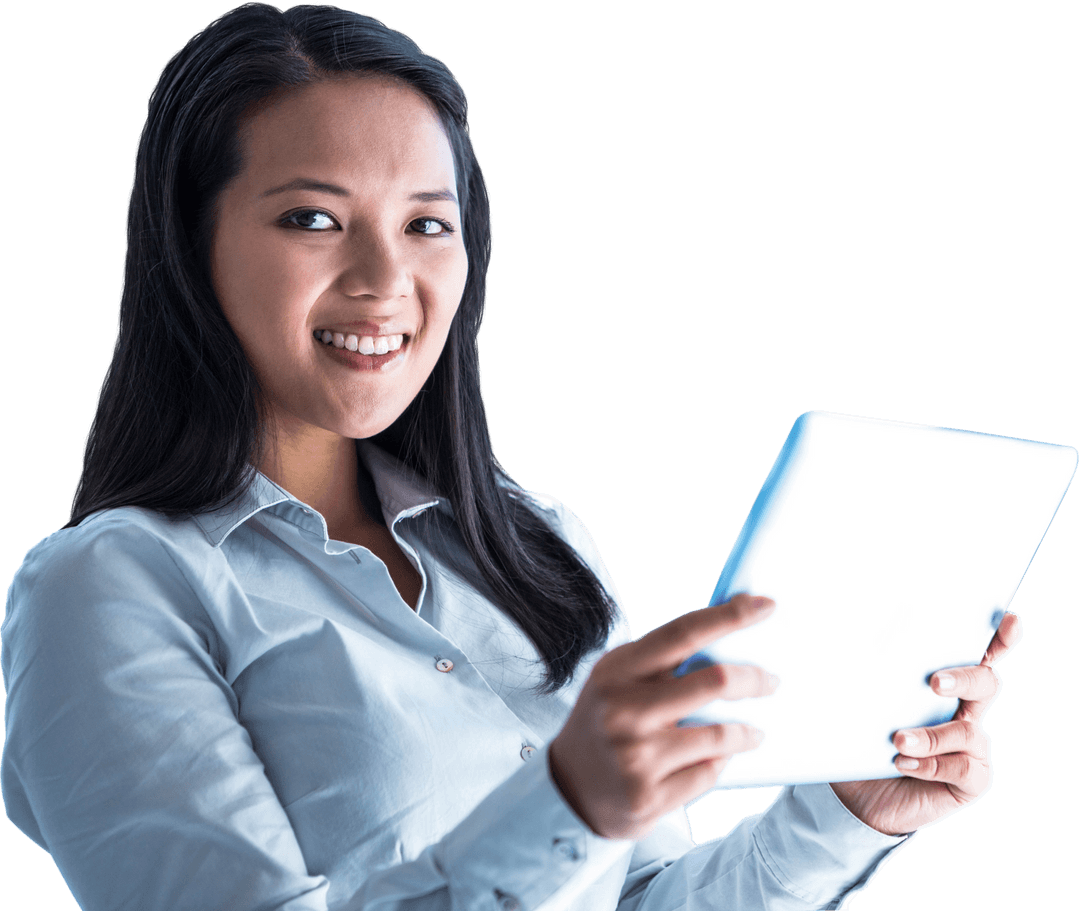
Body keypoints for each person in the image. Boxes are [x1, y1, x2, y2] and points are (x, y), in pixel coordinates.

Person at [0, 4, 1021, 910]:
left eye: (426, 224)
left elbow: (637, 898)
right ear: (191, 246)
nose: (385, 278)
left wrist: (846, 814)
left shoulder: (535, 540)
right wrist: (566, 800)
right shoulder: (108, 586)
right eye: (313, 218)